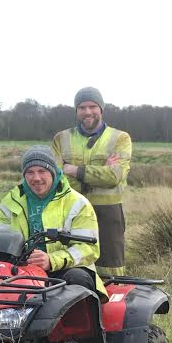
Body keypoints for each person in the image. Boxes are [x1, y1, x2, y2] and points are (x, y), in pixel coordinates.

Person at [0, 146, 106, 297]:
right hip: (21, 269)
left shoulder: (77, 203)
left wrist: (52, 260)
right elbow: (0, 243)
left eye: (42, 171)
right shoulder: (10, 201)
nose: (36, 178)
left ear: (53, 172)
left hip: (64, 269)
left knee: (77, 278)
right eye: (30, 172)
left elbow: (88, 249)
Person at [51, 87, 131, 277]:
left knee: (110, 269)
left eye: (92, 106)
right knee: (72, 265)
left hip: (107, 213)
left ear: (101, 109)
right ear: (76, 111)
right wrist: (100, 170)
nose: (88, 112)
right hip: (69, 210)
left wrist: (73, 169)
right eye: (82, 107)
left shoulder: (120, 138)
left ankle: (112, 304)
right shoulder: (61, 139)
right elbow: (53, 177)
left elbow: (114, 177)